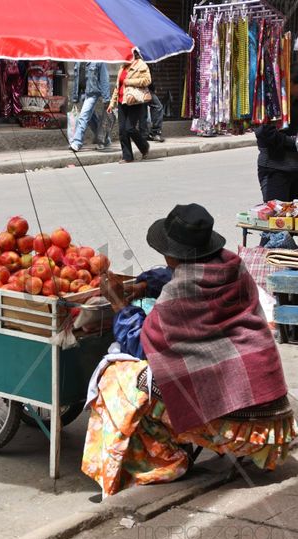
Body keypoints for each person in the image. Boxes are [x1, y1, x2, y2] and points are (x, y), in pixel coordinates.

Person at [82, 203, 296, 497]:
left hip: (244, 426)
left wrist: (119, 303)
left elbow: (143, 343)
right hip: (274, 415)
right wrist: (144, 285)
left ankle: (163, 460)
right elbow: (179, 276)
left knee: (119, 378)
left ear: (175, 253)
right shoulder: (231, 264)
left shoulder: (182, 292)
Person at [255, 64, 298, 201]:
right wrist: (293, 142)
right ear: (291, 83)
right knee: (277, 217)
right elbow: (264, 132)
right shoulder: (271, 100)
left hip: (295, 169)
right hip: (275, 169)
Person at [108, 52, 151, 163]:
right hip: (122, 102)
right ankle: (127, 156)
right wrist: (112, 104)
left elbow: (147, 80)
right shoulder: (122, 67)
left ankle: (144, 146)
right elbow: (118, 87)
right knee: (122, 131)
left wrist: (129, 81)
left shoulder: (141, 65)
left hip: (134, 101)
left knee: (130, 128)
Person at [69, 62, 111, 152]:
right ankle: (105, 140)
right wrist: (75, 97)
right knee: (91, 119)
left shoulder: (98, 61)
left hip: (92, 93)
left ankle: (77, 142)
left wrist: (106, 98)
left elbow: (104, 79)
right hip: (82, 93)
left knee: (83, 116)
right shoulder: (78, 60)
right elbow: (76, 80)